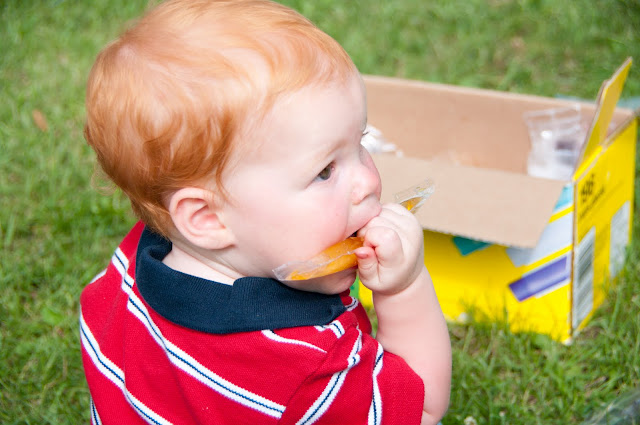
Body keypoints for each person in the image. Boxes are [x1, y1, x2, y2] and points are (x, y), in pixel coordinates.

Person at [79, 0, 452, 424]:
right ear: (206, 218)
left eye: (361, 142)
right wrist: (404, 289)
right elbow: (423, 408)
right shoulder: (310, 366)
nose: (368, 181)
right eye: (325, 170)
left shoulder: (125, 274)